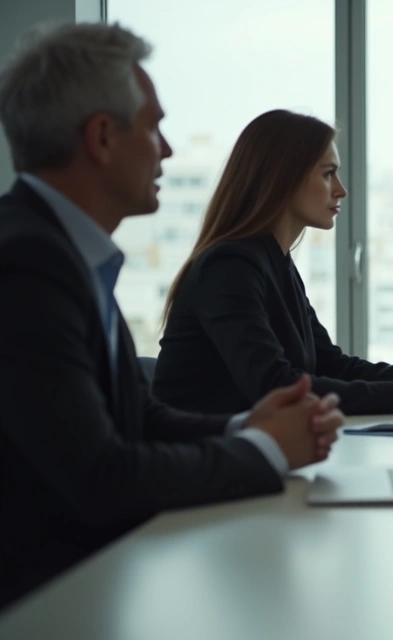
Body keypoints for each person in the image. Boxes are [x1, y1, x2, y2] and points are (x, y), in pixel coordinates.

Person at [0, 23, 344, 609]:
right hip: (50, 604)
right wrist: (266, 448)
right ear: (102, 138)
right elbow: (102, 477)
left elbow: (140, 418)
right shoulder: (27, 263)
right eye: (153, 127)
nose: (167, 150)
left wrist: (248, 426)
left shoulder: (63, 251)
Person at [153, 109, 393, 416]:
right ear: (283, 179)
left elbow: (330, 365)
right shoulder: (228, 267)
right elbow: (276, 386)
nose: (341, 190)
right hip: (200, 449)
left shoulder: (276, 263)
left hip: (249, 445)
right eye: (328, 174)